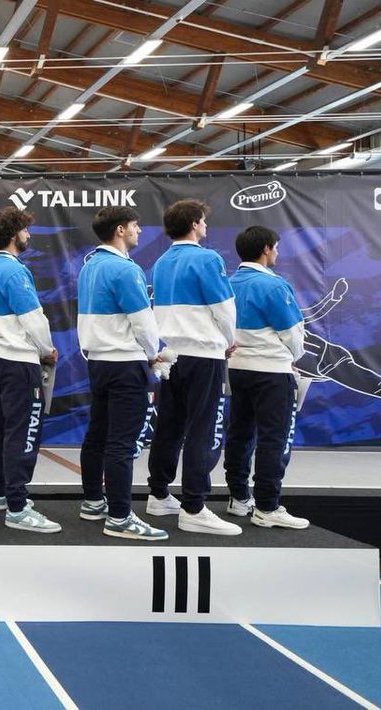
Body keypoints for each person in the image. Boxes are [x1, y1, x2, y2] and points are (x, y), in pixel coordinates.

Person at [146, 199, 241, 536]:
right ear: (194, 224)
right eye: (203, 221)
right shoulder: (208, 258)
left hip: (172, 354)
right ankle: (194, 507)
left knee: (169, 425)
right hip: (204, 354)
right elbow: (224, 308)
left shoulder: (160, 262)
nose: (206, 227)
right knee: (203, 428)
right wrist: (230, 340)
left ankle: (158, 493)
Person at [77, 206, 167, 540]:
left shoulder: (89, 267)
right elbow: (143, 322)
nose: (139, 231)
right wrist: (154, 354)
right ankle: (119, 518)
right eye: (135, 226)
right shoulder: (125, 269)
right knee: (121, 443)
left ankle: (92, 502)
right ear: (120, 230)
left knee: (98, 434)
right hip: (126, 364)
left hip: (98, 362)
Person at [223, 226, 310, 529]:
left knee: (239, 433)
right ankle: (267, 507)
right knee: (273, 438)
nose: (277, 252)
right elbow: (294, 337)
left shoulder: (227, 283)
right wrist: (291, 358)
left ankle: (238, 499)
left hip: (236, 369)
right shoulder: (275, 286)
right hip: (272, 372)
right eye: (276, 247)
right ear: (267, 249)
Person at [0, 207, 60, 532]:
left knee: (3, 428)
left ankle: (0, 493)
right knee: (23, 431)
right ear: (14, 234)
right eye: (25, 230)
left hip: (2, 359)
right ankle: (17, 507)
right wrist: (47, 351)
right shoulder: (14, 272)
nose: (29, 235)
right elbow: (34, 321)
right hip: (20, 361)